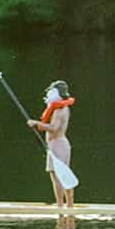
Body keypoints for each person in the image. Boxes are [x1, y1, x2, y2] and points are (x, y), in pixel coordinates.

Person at [27, 79, 76, 208]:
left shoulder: (60, 110)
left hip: (58, 145)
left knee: (58, 177)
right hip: (57, 145)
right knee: (60, 176)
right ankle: (67, 205)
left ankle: (62, 206)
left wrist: (36, 124)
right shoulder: (59, 108)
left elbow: (54, 127)